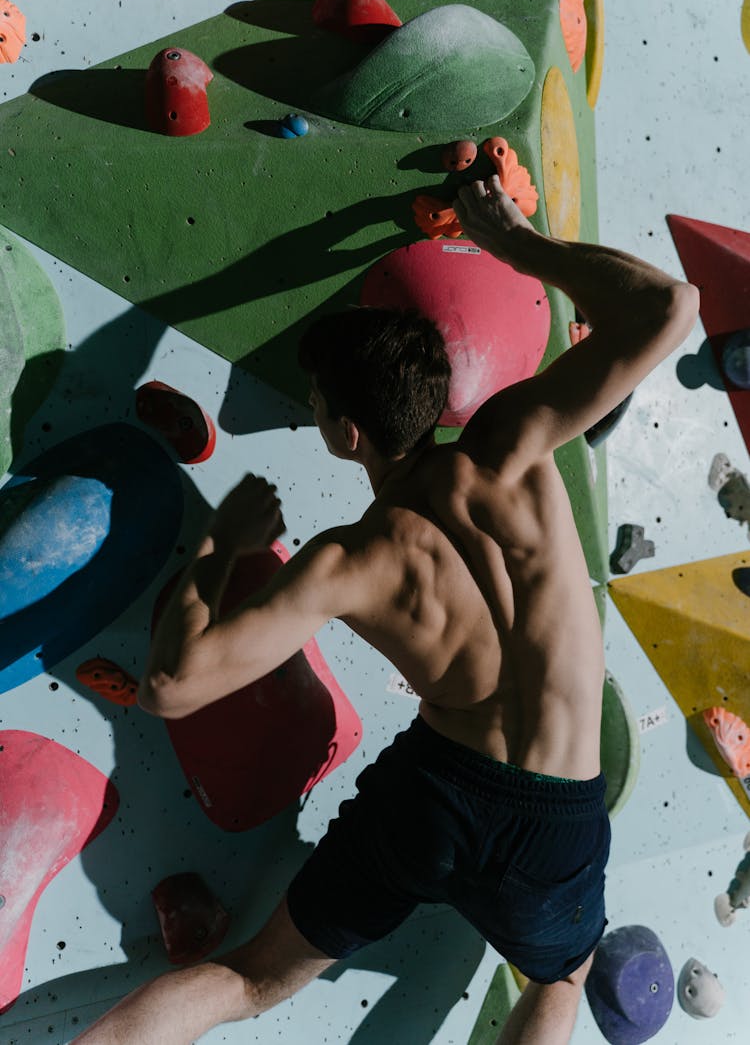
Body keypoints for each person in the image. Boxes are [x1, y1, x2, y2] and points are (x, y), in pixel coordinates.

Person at [73, 176, 699, 1045]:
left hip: (438, 796)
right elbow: (671, 305)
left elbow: (172, 685)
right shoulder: (515, 439)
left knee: (251, 978)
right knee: (562, 973)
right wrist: (513, 240)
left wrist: (221, 541)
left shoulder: (351, 558)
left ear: (347, 435)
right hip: (556, 810)